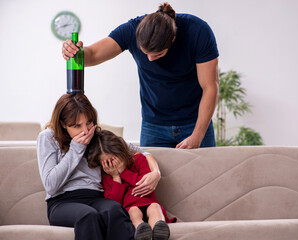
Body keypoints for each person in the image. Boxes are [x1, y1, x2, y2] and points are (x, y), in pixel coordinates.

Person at [62, 2, 219, 149]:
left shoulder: (198, 31)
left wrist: (198, 135)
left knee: (204, 175)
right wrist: (76, 52)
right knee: (150, 176)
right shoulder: (131, 29)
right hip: (153, 125)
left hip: (195, 122)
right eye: (146, 54)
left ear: (172, 39)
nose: (150, 59)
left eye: (157, 54)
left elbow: (210, 87)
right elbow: (94, 54)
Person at [37, 93, 161, 240]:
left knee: (115, 210)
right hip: (61, 202)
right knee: (88, 216)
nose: (85, 131)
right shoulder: (48, 137)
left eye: (89, 123)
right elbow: (51, 185)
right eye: (77, 126)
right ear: (63, 124)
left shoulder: (95, 135)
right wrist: (76, 148)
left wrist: (156, 172)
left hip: (95, 197)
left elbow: (141, 152)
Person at [87, 130, 177, 240]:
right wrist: (116, 177)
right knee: (133, 211)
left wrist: (124, 172)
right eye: (107, 163)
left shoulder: (138, 159)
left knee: (155, 207)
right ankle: (141, 231)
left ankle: (159, 230)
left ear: (121, 151)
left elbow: (144, 183)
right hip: (130, 208)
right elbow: (114, 202)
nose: (113, 165)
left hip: (149, 202)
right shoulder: (107, 176)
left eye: (114, 159)